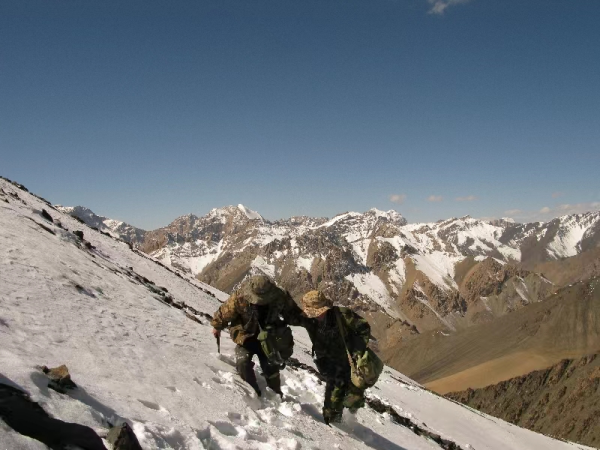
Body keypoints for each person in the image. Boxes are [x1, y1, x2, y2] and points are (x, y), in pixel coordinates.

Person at [211, 275, 303, 397]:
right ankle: (253, 393)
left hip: (270, 339)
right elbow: (225, 312)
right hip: (245, 337)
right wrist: (217, 326)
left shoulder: (280, 296)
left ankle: (276, 395)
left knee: (271, 367)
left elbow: (293, 314)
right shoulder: (240, 297)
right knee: (243, 363)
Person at [300, 290, 371, 425]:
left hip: (345, 360)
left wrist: (357, 351)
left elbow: (364, 328)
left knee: (337, 390)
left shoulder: (342, 315)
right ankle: (334, 417)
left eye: (318, 312)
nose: (316, 315)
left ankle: (334, 421)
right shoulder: (309, 318)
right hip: (326, 360)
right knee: (335, 387)